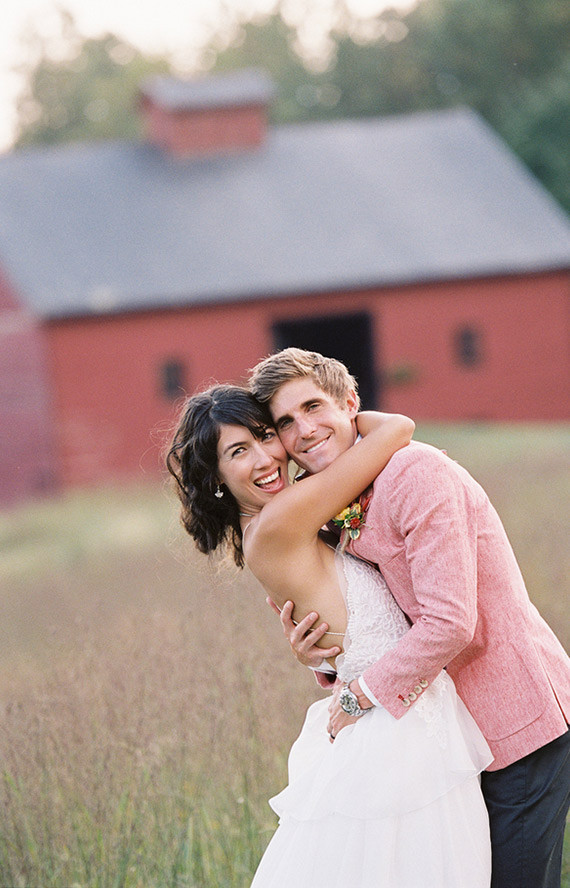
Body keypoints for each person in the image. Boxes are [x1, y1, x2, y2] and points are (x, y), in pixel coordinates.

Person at [249, 347, 570, 888]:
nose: (302, 430)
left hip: (517, 725)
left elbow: (449, 621)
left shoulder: (416, 473)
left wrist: (359, 696)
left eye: (313, 406)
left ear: (350, 402)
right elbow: (380, 620)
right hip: (450, 741)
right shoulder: (341, 500)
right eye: (286, 421)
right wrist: (325, 663)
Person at [166, 384, 494, 887]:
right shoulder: (279, 520)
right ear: (214, 477)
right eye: (238, 451)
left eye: (263, 435)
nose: (267, 457)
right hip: (391, 727)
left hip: (397, 715)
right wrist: (342, 411)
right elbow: (398, 429)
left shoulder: (277, 522)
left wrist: (320, 662)